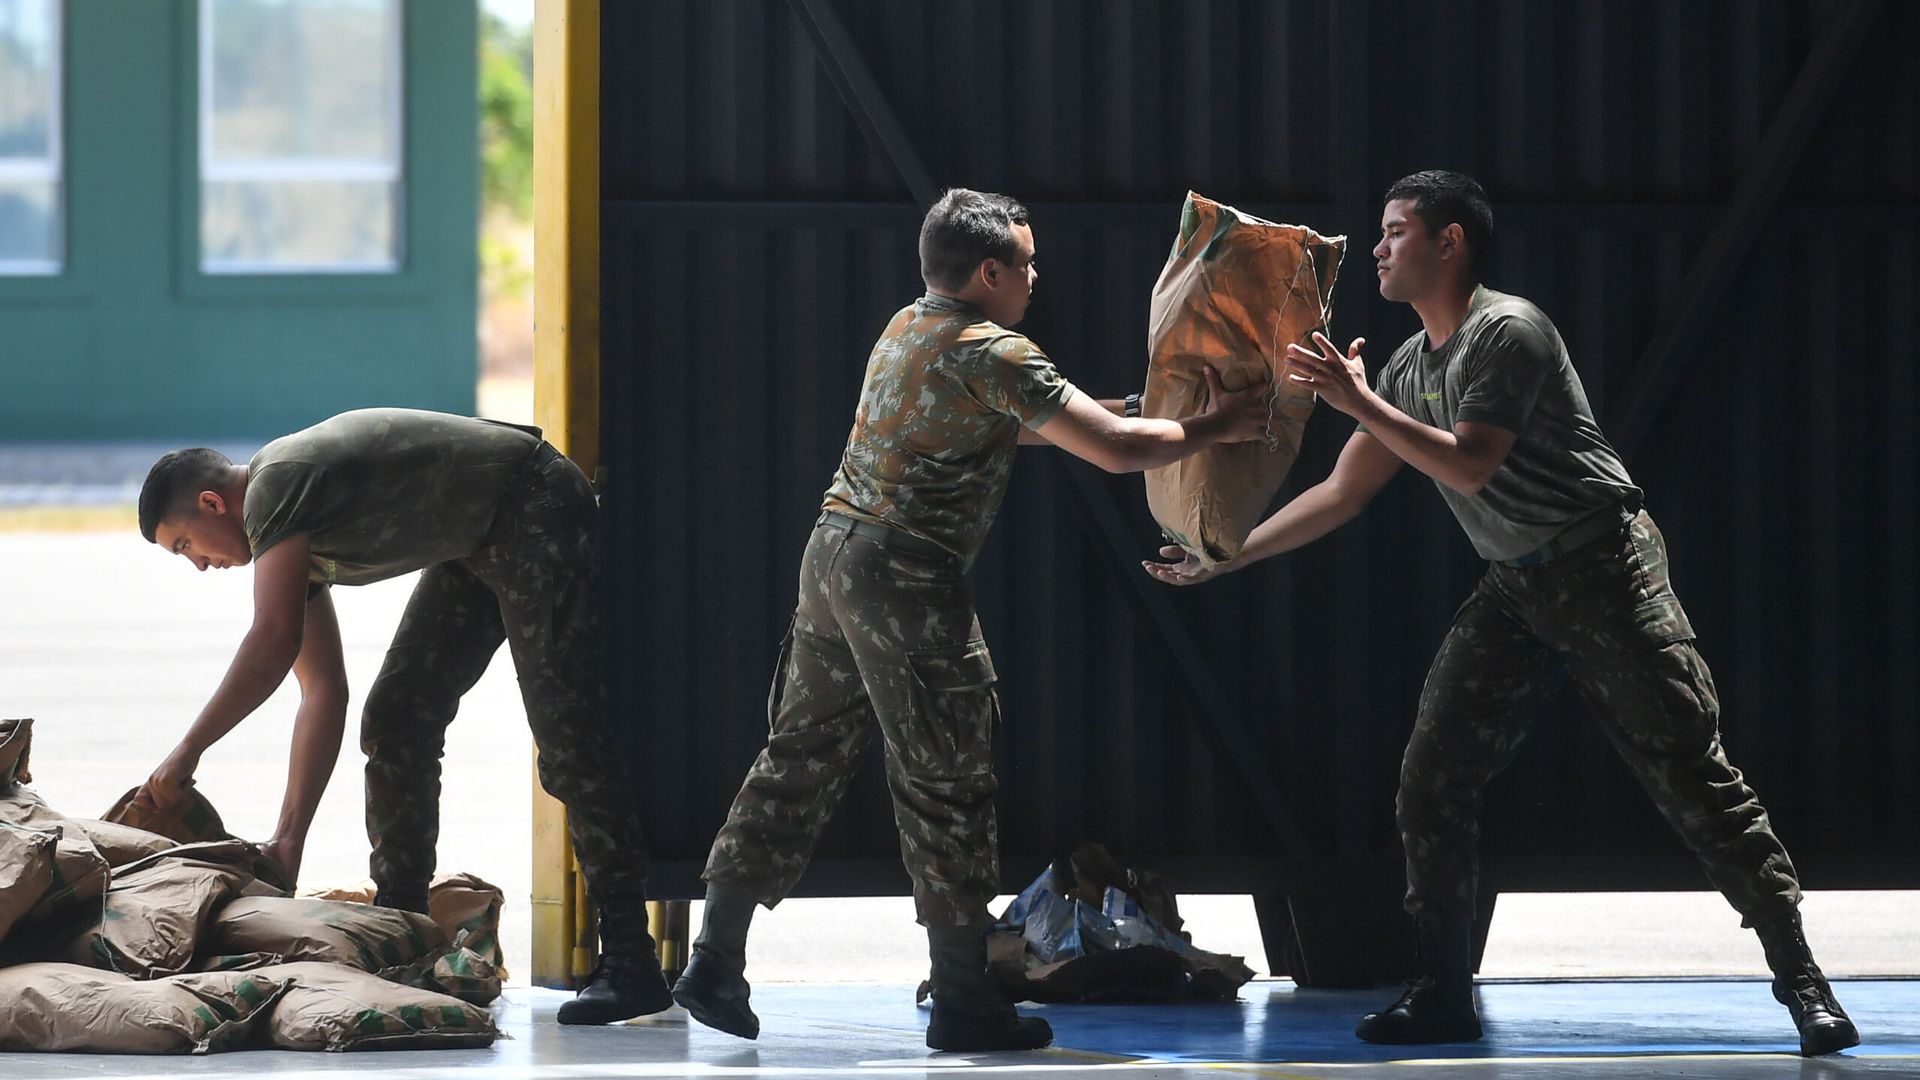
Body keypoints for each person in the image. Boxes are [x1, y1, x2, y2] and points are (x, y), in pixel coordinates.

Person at [1145, 170, 1857, 1056]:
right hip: (1516, 587)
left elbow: (1471, 464)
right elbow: (1344, 490)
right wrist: (1227, 556)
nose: (1377, 247)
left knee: (1693, 777)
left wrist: (1357, 401)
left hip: (1606, 573)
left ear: (1451, 244)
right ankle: (1442, 992)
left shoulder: (1507, 331)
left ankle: (1805, 983)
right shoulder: (1411, 366)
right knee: (1431, 777)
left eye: (1398, 231)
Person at [670, 188, 1271, 1052]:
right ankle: (965, 1003)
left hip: (833, 559)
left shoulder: (908, 327)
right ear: (989, 272)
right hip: (907, 580)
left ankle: (714, 958)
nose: (1035, 275)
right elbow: (1118, 453)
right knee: (946, 782)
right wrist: (1220, 423)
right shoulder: (998, 349)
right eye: (1026, 262)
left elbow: (1000, 424)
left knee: (796, 757)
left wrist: (1099, 415)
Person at [134, 408, 672, 1025]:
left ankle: (632, 958)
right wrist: (288, 842)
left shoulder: (274, 486)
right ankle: (405, 931)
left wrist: (187, 751)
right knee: (395, 719)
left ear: (211, 504)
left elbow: (271, 641)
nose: (199, 565)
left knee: (568, 738)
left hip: (532, 503)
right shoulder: (287, 535)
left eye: (184, 546)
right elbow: (321, 690)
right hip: (475, 538)